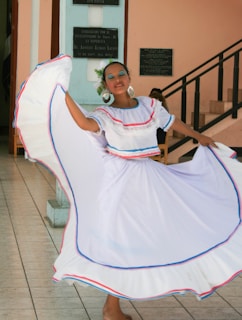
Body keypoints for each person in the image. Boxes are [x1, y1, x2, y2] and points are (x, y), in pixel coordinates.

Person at [15, 55, 242, 320]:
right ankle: (112, 308)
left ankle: (124, 300)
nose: (117, 80)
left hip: (150, 177)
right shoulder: (106, 114)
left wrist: (198, 136)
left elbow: (171, 123)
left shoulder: (149, 105)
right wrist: (63, 94)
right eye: (110, 78)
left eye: (121, 74)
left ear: (129, 77)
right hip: (119, 183)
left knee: (160, 232)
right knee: (123, 241)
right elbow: (85, 125)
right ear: (106, 86)